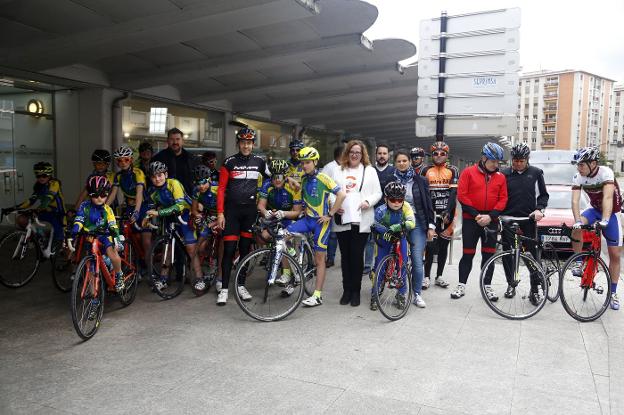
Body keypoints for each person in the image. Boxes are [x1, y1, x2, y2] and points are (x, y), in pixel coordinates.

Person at [287, 146, 346, 307]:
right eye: (302, 163)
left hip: (322, 223)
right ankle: (294, 264)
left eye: (307, 162)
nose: (304, 165)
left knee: (320, 259)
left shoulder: (323, 177)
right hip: (307, 220)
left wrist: (330, 214)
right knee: (282, 235)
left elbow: (341, 194)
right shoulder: (304, 179)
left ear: (315, 162)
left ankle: (317, 295)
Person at [216, 128, 269, 305]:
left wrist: (290, 181)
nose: (246, 146)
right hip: (231, 212)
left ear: (253, 144)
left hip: (249, 212)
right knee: (229, 250)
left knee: (245, 250)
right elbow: (221, 189)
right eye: (243, 142)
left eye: (249, 142)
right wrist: (220, 213)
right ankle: (224, 288)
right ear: (238, 143)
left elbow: (274, 178)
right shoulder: (229, 162)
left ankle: (240, 285)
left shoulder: (260, 162)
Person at [329, 140, 382, 307]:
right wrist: (334, 206)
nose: (354, 154)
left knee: (357, 256)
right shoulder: (338, 170)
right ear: (347, 153)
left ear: (362, 154)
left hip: (362, 218)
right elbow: (330, 191)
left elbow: (378, 193)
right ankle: (346, 290)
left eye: (358, 152)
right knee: (345, 257)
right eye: (352, 151)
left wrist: (368, 201)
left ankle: (356, 291)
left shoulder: (370, 171)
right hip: (342, 219)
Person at [453, 142, 508, 300]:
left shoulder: (500, 177)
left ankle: (487, 286)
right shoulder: (468, 173)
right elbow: (462, 195)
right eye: (493, 161)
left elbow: (503, 199)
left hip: (491, 220)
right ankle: (461, 285)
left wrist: (490, 216)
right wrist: (477, 215)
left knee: (489, 255)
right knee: (467, 254)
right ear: (484, 158)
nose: (496, 165)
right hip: (471, 220)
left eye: (498, 162)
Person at [570, 147, 622, 310]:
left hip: (612, 212)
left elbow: (608, 197)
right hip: (594, 211)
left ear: (593, 163)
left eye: (582, 165)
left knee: (614, 254)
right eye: (577, 165)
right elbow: (575, 202)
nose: (579, 168)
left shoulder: (606, 173)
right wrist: (578, 220)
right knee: (576, 228)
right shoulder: (579, 176)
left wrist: (605, 220)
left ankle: (613, 292)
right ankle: (578, 262)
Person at [144, 161, 205, 293]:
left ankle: (200, 278)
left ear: (166, 174)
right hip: (170, 217)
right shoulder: (152, 190)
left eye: (160, 175)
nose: (157, 179)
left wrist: (158, 212)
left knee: (190, 248)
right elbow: (151, 207)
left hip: (186, 215)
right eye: (154, 177)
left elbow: (179, 206)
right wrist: (146, 217)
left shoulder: (174, 183)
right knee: (167, 247)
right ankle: (163, 278)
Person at [501, 143, 549, 302]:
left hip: (528, 219)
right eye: (515, 160)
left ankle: (534, 289)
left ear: (527, 159)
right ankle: (511, 284)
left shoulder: (536, 173)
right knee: (509, 254)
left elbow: (543, 195)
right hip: (508, 220)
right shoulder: (504, 173)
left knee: (532, 255)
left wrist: (539, 209)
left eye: (521, 160)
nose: (518, 163)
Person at [393, 150, 436, 308]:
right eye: (399, 161)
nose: (402, 163)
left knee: (417, 261)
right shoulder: (391, 180)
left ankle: (417, 293)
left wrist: (431, 225)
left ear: (410, 162)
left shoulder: (421, 181)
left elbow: (428, 204)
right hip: (397, 222)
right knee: (400, 259)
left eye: (405, 160)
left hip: (417, 222)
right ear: (395, 163)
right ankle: (401, 292)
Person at [70, 176, 125, 293]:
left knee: (112, 253)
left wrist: (116, 238)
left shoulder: (107, 209)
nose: (99, 198)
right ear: (90, 194)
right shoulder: (84, 206)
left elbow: (113, 225)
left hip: (104, 236)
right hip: (90, 237)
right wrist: (73, 233)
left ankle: (119, 275)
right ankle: (93, 296)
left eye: (103, 195)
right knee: (90, 267)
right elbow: (79, 220)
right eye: (95, 195)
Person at [257, 159, 303, 296]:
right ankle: (283, 264)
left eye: (281, 177)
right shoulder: (267, 185)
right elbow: (261, 205)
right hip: (274, 218)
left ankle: (289, 273)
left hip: (290, 218)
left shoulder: (292, 187)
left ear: (285, 176)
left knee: (282, 239)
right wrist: (266, 212)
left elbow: (297, 212)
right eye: (274, 177)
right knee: (266, 236)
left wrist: (284, 213)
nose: (277, 180)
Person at [370, 182, 416, 310]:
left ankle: (401, 295)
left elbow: (412, 222)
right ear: (386, 199)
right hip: (384, 239)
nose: (396, 202)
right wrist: (385, 231)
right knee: (379, 265)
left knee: (402, 266)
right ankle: (375, 295)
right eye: (392, 199)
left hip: (400, 237)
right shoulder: (380, 210)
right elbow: (375, 224)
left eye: (400, 199)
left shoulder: (406, 206)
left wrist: (399, 226)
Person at [107, 146, 152, 273]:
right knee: (128, 236)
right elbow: (113, 194)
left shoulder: (138, 173)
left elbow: (139, 194)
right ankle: (135, 265)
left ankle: (151, 272)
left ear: (131, 160)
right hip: (129, 207)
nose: (123, 163)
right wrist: (102, 208)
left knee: (145, 240)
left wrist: (137, 211)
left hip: (143, 206)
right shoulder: (118, 176)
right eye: (119, 160)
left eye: (126, 160)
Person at [421, 141, 458, 289]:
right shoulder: (426, 170)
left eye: (442, 153)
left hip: (447, 215)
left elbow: (453, 193)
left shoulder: (453, 170)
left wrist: (448, 211)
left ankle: (439, 276)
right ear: (432, 155)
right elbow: (424, 194)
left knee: (443, 247)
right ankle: (426, 277)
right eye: (435, 153)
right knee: (430, 247)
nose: (439, 156)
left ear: (447, 155)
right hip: (432, 214)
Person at [5, 162, 66, 245]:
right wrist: (12, 208)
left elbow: (48, 199)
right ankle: (40, 237)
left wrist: (38, 209)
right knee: (21, 219)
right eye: (38, 176)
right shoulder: (38, 186)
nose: (41, 178)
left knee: (62, 242)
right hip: (45, 211)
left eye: (44, 175)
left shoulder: (54, 183)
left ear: (49, 175)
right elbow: (30, 201)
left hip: (59, 213)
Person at [364, 143, 396, 274]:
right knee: (370, 240)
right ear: (375, 155)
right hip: (371, 211)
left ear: (388, 155)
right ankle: (367, 265)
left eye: (384, 153)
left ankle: (387, 265)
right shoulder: (369, 171)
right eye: (379, 153)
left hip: (389, 212)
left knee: (388, 239)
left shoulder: (393, 171)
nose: (382, 156)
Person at [190, 164, 221, 293]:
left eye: (203, 182)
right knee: (201, 246)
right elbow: (194, 209)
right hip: (208, 217)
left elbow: (226, 209)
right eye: (198, 183)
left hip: (220, 216)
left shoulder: (217, 188)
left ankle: (219, 271)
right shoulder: (196, 190)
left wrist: (215, 222)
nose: (201, 186)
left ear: (209, 179)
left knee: (222, 245)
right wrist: (198, 216)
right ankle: (205, 268)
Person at [151, 127, 198, 195]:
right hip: (165, 199)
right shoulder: (158, 158)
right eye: (172, 139)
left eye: (178, 139)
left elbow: (198, 181)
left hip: (188, 199)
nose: (175, 142)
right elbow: (152, 180)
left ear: (182, 141)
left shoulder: (191, 159)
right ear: (167, 141)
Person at [321, 145, 343, 268]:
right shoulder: (329, 168)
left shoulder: (345, 167)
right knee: (332, 234)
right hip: (330, 205)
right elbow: (324, 187)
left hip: (341, 205)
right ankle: (330, 258)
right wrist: (332, 204)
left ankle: (334, 257)